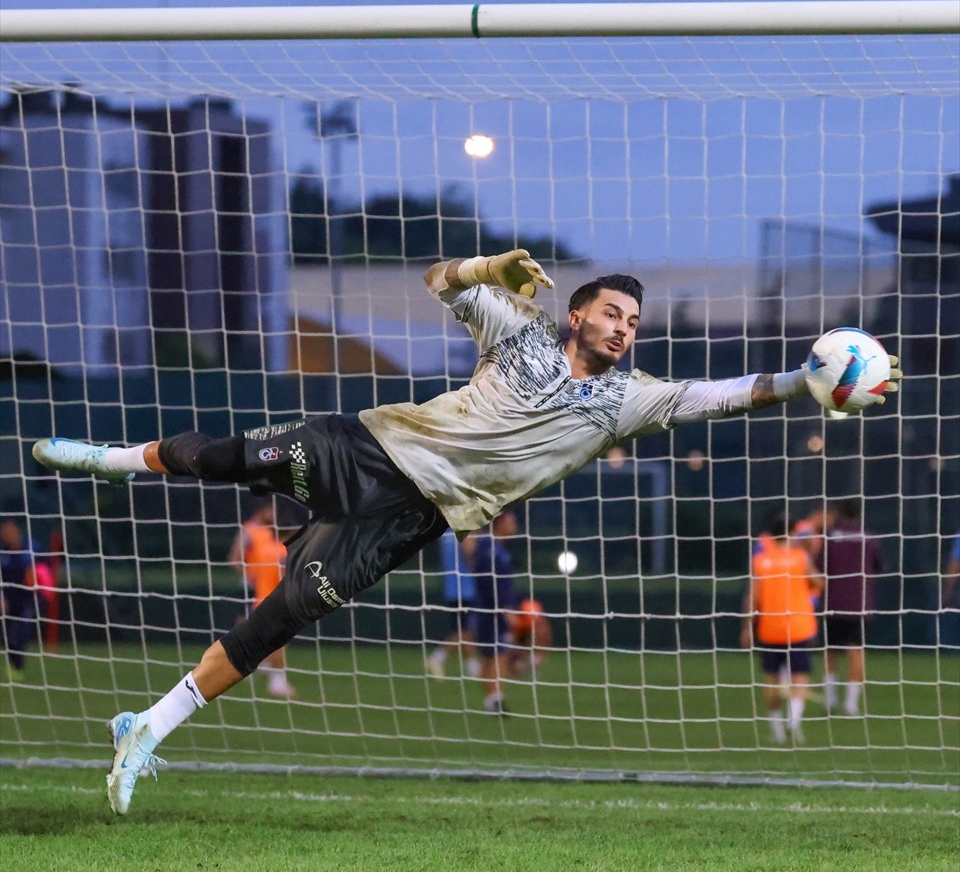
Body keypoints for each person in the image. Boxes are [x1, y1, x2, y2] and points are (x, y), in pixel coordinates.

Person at [31, 246, 903, 813]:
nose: (625, 328)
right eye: (612, 314)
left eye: (634, 323)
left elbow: (729, 394)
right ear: (577, 314)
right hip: (372, 448)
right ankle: (111, 458)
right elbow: (437, 282)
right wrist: (491, 269)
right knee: (230, 457)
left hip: (417, 519)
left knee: (281, 616)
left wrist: (804, 381)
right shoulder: (516, 329)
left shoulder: (630, 403)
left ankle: (146, 725)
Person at [741, 511, 823, 743]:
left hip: (770, 628)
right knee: (800, 677)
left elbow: (753, 597)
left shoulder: (760, 561)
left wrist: (747, 627)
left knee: (771, 681)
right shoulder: (800, 558)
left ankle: (776, 730)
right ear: (790, 533)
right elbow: (818, 582)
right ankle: (793, 722)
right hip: (798, 626)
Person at [227, 501, 296, 699]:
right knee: (253, 629)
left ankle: (254, 663)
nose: (273, 514)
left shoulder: (271, 534)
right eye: (270, 510)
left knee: (257, 630)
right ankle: (268, 674)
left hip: (269, 587)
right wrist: (250, 577)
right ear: (262, 510)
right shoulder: (250, 530)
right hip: (255, 588)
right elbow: (235, 557)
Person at [822, 499, 883, 716]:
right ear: (859, 515)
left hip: (834, 603)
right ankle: (851, 705)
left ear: (839, 513)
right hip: (860, 604)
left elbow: (821, 567)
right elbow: (877, 566)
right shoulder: (870, 539)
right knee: (856, 652)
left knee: (830, 652)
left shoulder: (830, 538)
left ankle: (830, 701)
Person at [470, 506, 520, 714]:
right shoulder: (489, 549)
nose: (515, 525)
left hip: (492, 610)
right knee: (498, 655)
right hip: (490, 611)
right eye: (511, 521)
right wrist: (505, 608)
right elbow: (489, 583)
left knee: (495, 656)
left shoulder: (496, 548)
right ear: (500, 524)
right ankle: (495, 698)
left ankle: (494, 699)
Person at [426, 529, 480, 679]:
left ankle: (473, 668)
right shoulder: (467, 529)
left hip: (451, 588)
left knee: (464, 630)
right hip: (468, 588)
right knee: (466, 632)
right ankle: (437, 657)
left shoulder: (445, 534)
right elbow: (470, 555)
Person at [0, 519, 38, 682]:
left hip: (24, 600)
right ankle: (11, 665)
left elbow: (33, 575)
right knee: (6, 635)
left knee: (20, 634)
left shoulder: (29, 548)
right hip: (5, 598)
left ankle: (17, 667)